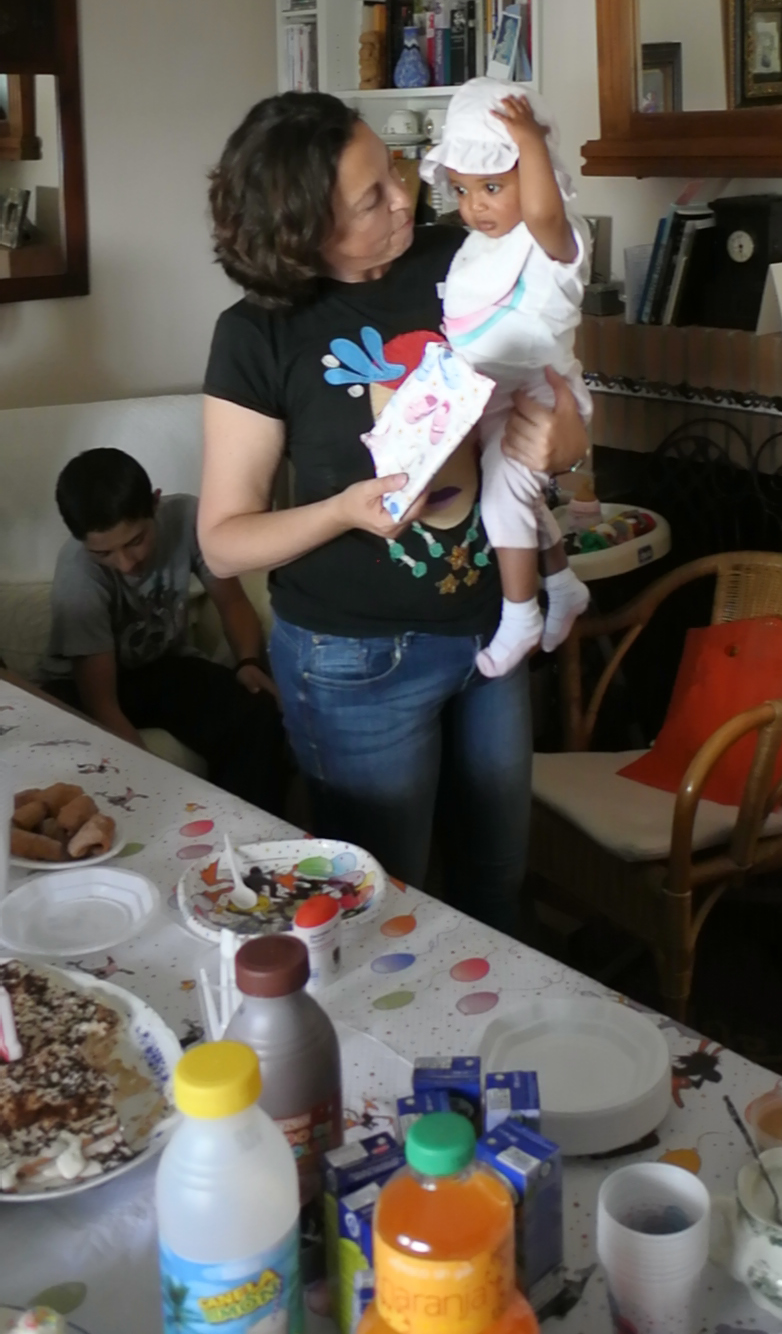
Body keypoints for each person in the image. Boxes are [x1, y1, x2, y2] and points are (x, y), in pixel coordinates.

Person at [199, 91, 587, 934]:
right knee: (384, 907)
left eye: (397, 173)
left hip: (489, 629)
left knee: (496, 882)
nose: (408, 199)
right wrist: (342, 510)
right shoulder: (257, 334)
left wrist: (570, 439)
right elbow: (224, 542)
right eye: (371, 198)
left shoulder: (466, 252)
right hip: (353, 664)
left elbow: (553, 359)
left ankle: (485, 1057)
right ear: (304, 231)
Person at [419, 80, 591, 678]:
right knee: (513, 496)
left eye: (494, 186)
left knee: (501, 495)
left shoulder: (553, 240)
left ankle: (520, 614)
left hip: (537, 397)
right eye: (463, 190)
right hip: (493, 396)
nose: (475, 206)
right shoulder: (477, 247)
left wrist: (529, 141)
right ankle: (562, 582)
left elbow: (542, 207)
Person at [39, 448, 289, 813]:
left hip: (161, 666)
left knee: (258, 713)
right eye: (104, 554)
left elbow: (232, 602)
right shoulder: (78, 576)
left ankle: (250, 843)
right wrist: (154, 783)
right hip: (79, 690)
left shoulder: (188, 516)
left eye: (135, 541)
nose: (125, 563)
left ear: (155, 503)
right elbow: (101, 703)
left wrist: (248, 661)